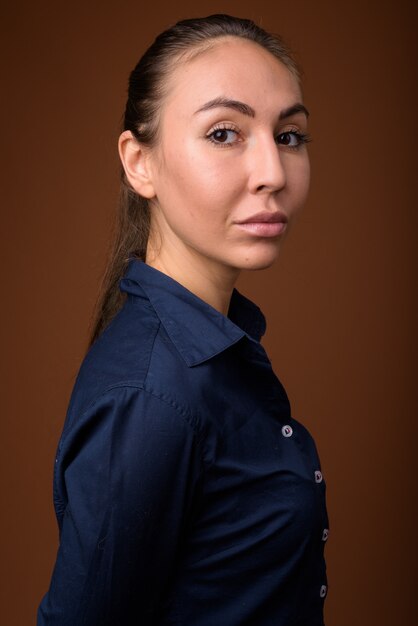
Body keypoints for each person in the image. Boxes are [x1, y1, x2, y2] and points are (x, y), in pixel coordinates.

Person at [37, 14, 329, 626]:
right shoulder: (151, 395)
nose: (273, 173)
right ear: (139, 163)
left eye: (290, 136)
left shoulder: (211, 348)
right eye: (224, 134)